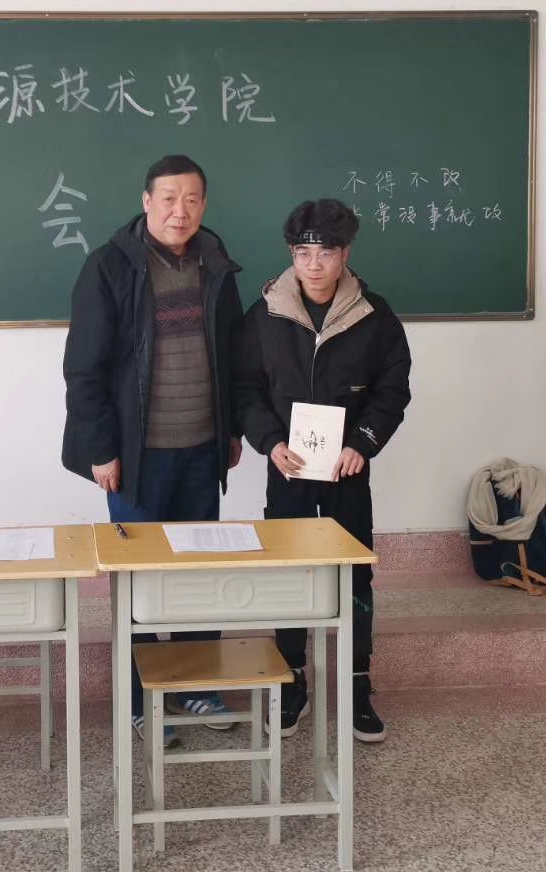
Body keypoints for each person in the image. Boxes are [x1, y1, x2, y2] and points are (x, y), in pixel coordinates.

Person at [61, 154, 244, 745]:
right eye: (168, 198)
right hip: (136, 457)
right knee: (140, 578)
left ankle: (196, 686)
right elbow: (83, 368)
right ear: (146, 202)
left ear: (204, 205)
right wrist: (101, 449)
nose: (179, 211)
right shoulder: (109, 266)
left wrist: (233, 430)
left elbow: (233, 355)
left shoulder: (216, 263)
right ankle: (141, 700)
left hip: (202, 449)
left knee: (197, 573)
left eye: (191, 199)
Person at [233, 198, 412, 743]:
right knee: (289, 571)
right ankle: (292, 679)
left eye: (326, 253)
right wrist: (269, 442)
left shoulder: (374, 315)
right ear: (292, 253)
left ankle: (357, 683)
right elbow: (246, 389)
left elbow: (392, 390)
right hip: (288, 468)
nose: (314, 264)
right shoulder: (265, 313)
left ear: (345, 254)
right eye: (303, 252)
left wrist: (362, 443)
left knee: (354, 572)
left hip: (344, 470)